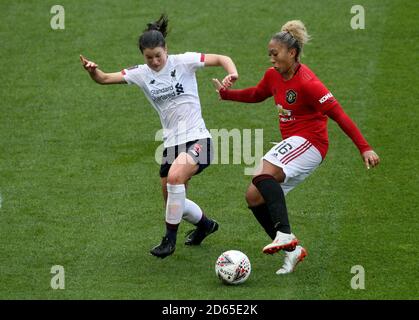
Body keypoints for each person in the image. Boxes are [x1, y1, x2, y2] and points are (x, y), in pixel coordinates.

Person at [213, 20, 380, 274]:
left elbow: (340, 115)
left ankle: (284, 234)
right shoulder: (273, 76)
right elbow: (257, 94)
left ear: (292, 53)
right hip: (293, 143)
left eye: (275, 54)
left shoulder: (309, 83)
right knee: (253, 196)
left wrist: (364, 147)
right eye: (269, 54)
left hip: (311, 142)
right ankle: (292, 251)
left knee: (262, 175)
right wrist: (227, 95)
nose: (271, 59)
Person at [80, 14, 239, 259]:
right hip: (172, 145)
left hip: (199, 139)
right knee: (174, 203)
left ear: (166, 49)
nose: (154, 61)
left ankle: (169, 241)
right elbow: (104, 78)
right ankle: (206, 225)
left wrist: (232, 74)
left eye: (158, 55)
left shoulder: (183, 61)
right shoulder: (141, 73)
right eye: (149, 57)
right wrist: (93, 70)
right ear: (142, 55)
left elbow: (221, 58)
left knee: (175, 178)